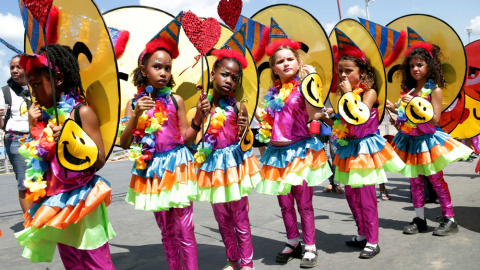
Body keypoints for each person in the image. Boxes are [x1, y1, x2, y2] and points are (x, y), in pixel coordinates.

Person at [119, 14, 208, 270]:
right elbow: (125, 144)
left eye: (168, 68)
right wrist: (135, 115)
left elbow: (186, 137)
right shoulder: (133, 104)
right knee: (167, 232)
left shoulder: (175, 101)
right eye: (157, 66)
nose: (163, 72)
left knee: (185, 230)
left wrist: (199, 117)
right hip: (152, 171)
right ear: (144, 69)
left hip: (178, 166)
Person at [15, 44, 115, 268]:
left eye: (37, 84)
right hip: (55, 200)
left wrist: (72, 136)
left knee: (96, 262)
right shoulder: (44, 118)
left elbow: (99, 160)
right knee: (72, 263)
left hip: (83, 199)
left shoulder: (81, 113)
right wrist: (34, 127)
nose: (33, 93)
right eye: (30, 86)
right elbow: (37, 162)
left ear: (58, 79)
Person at [255, 20, 332, 268]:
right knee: (284, 202)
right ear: (274, 68)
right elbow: (269, 123)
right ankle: (292, 241)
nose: (285, 63)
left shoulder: (303, 87)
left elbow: (313, 113)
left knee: (304, 203)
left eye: (290, 59)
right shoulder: (273, 93)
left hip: (300, 150)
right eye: (280, 61)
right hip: (277, 152)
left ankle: (310, 245)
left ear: (298, 62)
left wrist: (310, 82)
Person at [330, 28, 405, 259]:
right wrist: (325, 117)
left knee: (366, 197)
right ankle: (362, 233)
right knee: (352, 196)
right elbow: (343, 122)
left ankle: (373, 240)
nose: (343, 75)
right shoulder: (345, 94)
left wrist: (349, 94)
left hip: (365, 149)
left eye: (348, 71)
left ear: (362, 73)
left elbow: (360, 116)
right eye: (340, 70)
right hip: (348, 149)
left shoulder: (369, 93)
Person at [388, 41, 472, 236]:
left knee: (436, 180)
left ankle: (450, 219)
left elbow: (434, 119)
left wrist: (415, 104)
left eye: (420, 65)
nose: (415, 69)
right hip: (410, 141)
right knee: (414, 182)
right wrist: (396, 114)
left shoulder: (434, 90)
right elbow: (406, 120)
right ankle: (420, 219)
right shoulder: (408, 91)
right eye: (412, 65)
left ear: (429, 67)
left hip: (427, 141)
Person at [194, 26, 261, 270]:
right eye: (225, 74)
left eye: (235, 78)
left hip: (235, 167)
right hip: (212, 168)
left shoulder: (238, 108)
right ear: (213, 73)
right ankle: (232, 260)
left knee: (240, 219)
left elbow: (248, 142)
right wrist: (201, 116)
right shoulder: (203, 104)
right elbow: (194, 140)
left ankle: (247, 263)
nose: (229, 81)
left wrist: (245, 129)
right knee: (222, 219)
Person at [0, 55, 32, 213]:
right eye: (12, 67)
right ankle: (31, 224)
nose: (14, 70)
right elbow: (1, 125)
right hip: (16, 139)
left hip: (39, 139)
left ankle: (44, 218)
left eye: (18, 67)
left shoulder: (37, 87)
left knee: (43, 180)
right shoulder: (5, 92)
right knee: (25, 183)